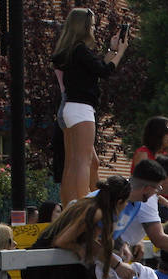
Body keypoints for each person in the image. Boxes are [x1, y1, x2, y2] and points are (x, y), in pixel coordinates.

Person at [52, 7, 129, 205]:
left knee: (72, 161)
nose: (94, 29)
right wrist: (120, 52)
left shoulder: (70, 51)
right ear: (84, 27)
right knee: (82, 161)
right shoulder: (80, 50)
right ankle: (83, 200)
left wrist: (111, 50)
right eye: (93, 25)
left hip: (71, 108)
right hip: (81, 108)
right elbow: (105, 72)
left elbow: (95, 69)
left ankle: (70, 202)